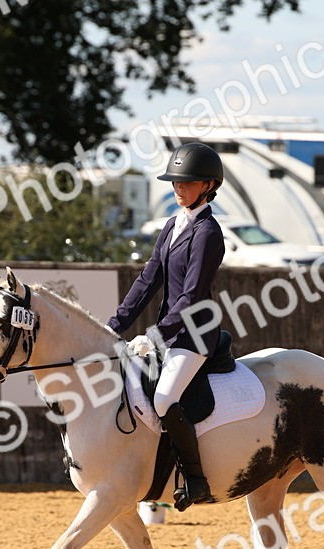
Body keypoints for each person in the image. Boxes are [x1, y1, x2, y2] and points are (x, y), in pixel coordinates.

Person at [107, 142, 226, 511]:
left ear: (208, 185)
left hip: (194, 335)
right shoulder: (174, 224)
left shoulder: (208, 232)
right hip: (170, 334)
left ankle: (196, 480)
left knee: (162, 398)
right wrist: (114, 325)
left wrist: (154, 335)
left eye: (187, 183)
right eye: (175, 182)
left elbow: (190, 296)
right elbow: (147, 280)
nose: (178, 188)